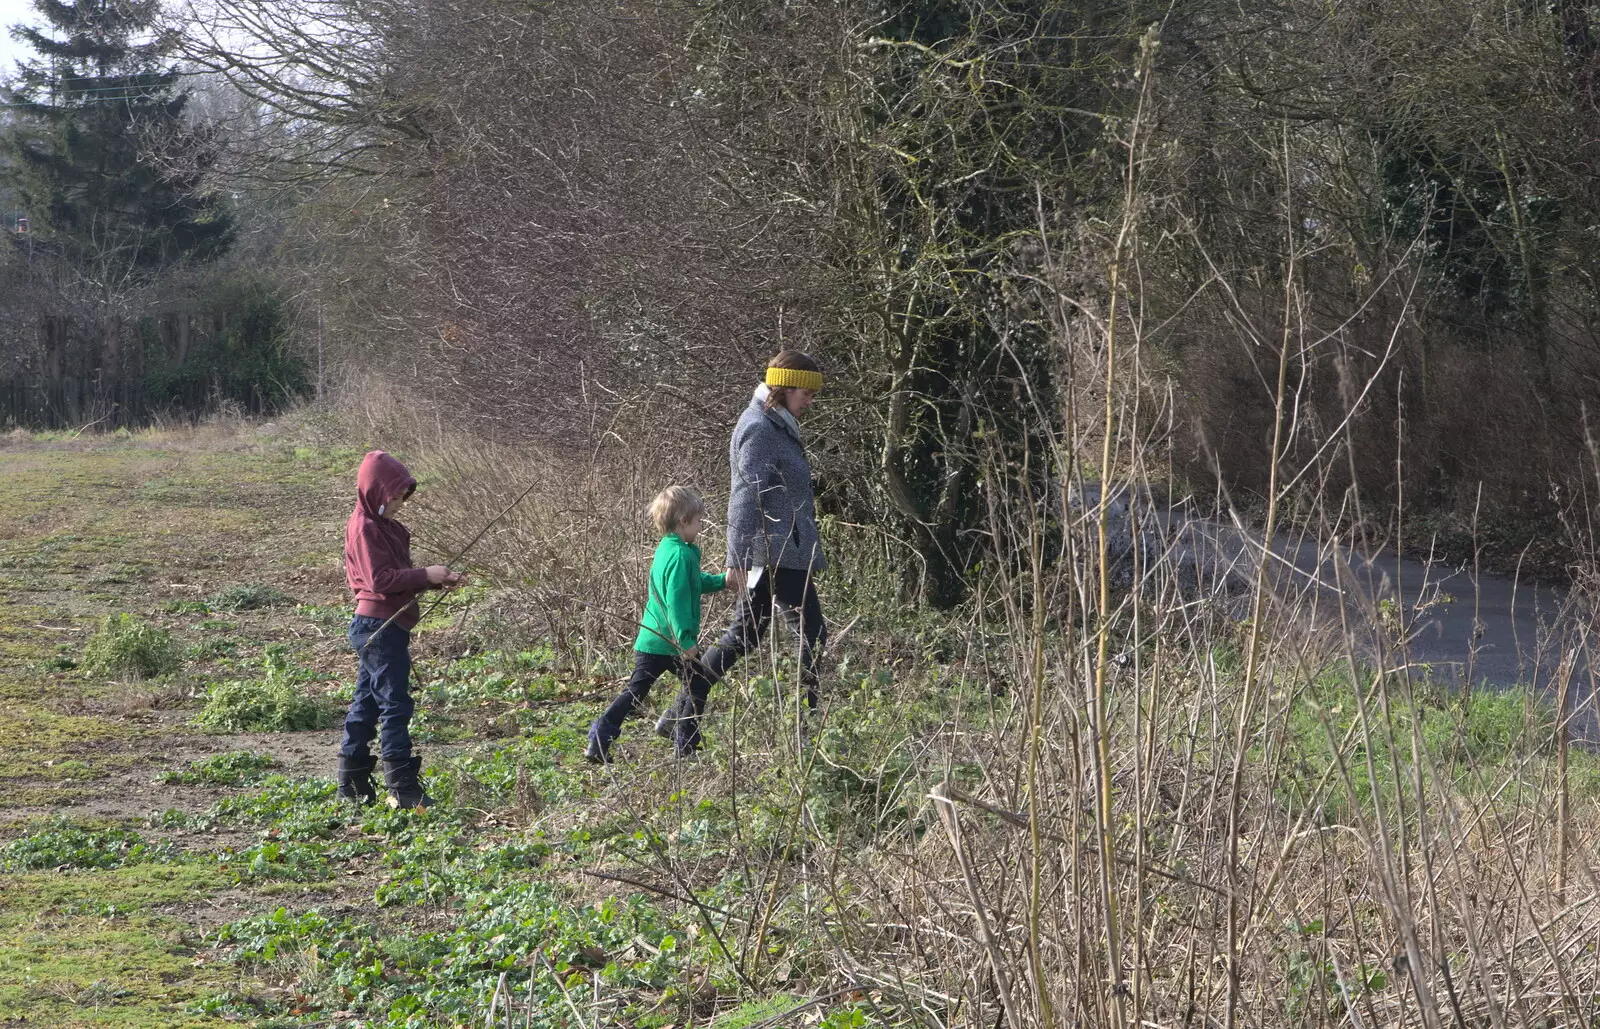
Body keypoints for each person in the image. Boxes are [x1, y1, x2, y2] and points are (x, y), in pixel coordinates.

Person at [657, 350, 829, 749]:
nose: (810, 401)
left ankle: (680, 714)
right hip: (771, 553)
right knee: (810, 635)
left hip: (783, 551)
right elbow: (744, 497)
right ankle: (809, 728)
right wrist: (736, 558)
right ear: (783, 388)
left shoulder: (778, 425)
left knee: (746, 635)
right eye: (805, 393)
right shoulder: (760, 429)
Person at [338, 450, 464, 809]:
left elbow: (395, 579)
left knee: (366, 703)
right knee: (395, 703)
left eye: (401, 497)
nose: (398, 503)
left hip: (382, 625)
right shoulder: (364, 527)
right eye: (392, 496)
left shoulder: (385, 528)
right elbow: (379, 580)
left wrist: (438, 581)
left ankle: (353, 785)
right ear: (374, 491)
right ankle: (403, 788)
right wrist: (425, 574)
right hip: (378, 626)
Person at [587, 486, 745, 762]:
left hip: (652, 640)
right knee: (698, 684)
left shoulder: (668, 549)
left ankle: (600, 736)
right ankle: (685, 743)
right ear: (683, 520)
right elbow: (678, 602)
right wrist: (685, 642)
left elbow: (690, 583)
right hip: (671, 643)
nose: (700, 527)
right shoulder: (682, 555)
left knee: (636, 692)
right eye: (698, 521)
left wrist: (721, 581)